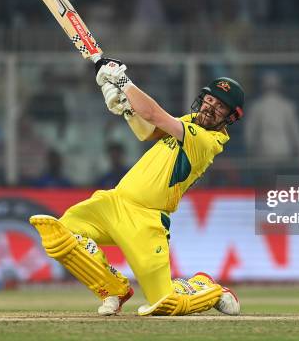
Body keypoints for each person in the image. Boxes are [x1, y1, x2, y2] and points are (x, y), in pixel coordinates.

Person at [30, 58, 244, 317]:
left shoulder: (208, 141)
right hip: (115, 203)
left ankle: (208, 288)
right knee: (58, 236)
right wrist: (124, 107)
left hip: (146, 219)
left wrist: (123, 82)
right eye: (210, 99)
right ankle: (113, 289)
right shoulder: (190, 122)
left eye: (220, 106)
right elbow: (148, 131)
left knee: (165, 303)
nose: (211, 107)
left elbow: (153, 114)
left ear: (230, 117)